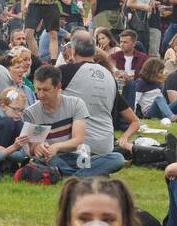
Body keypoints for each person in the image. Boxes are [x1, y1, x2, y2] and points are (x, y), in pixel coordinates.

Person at [22, 65, 126, 179]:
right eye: (38, 89)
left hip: (77, 155)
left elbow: (78, 140)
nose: (41, 94)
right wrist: (38, 147)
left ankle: (74, 177)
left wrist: (57, 147)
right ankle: (91, 173)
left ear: (58, 87)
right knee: (50, 162)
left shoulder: (75, 104)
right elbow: (32, 149)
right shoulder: (31, 113)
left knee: (117, 158)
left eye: (46, 90)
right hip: (53, 159)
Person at [58, 33, 137, 168]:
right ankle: (98, 166)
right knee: (116, 159)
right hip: (105, 147)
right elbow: (135, 120)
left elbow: (44, 94)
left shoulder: (65, 71)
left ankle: (80, 169)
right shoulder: (110, 77)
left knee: (52, 160)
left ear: (74, 50)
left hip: (77, 145)